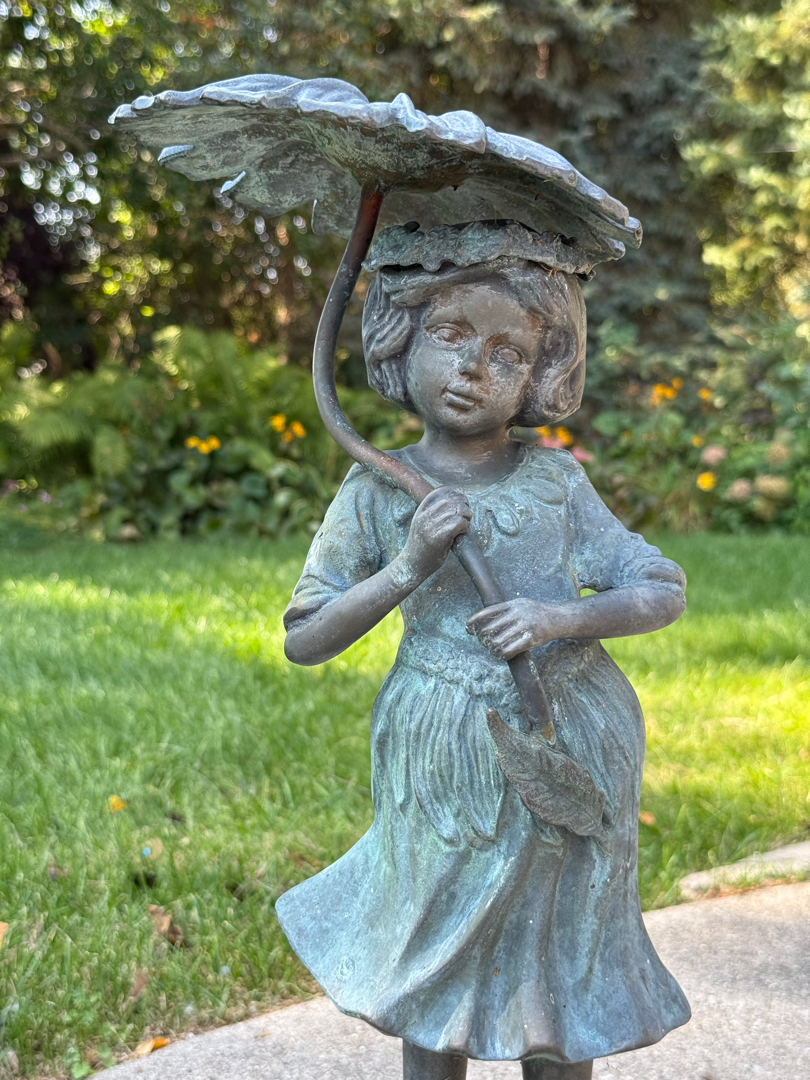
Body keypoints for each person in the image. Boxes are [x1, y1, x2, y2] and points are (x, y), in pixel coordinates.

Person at [275, 221, 691, 1080]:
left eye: (508, 354)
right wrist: (406, 568)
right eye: (450, 334)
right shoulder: (377, 488)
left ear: (541, 374)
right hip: (443, 746)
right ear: (400, 340)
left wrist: (556, 619)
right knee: (436, 942)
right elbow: (306, 637)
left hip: (570, 734)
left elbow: (661, 587)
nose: (473, 367)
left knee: (564, 955)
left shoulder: (556, 482)